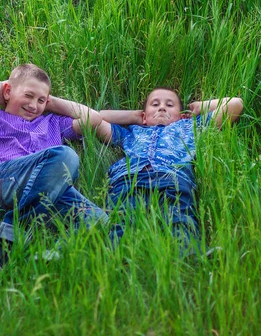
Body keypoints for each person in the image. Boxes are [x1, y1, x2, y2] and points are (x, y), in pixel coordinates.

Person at [0, 63, 108, 265]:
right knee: (67, 156)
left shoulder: (52, 123)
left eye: (41, 100)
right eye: (28, 96)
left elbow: (94, 117)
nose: (34, 105)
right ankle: (12, 234)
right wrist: (8, 87)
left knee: (100, 222)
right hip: (3, 180)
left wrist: (50, 103)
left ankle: (48, 256)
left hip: (48, 189)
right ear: (6, 91)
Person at [95, 87, 244, 256]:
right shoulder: (131, 132)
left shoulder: (191, 126)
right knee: (121, 218)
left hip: (173, 177)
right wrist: (135, 116)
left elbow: (235, 104)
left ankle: (189, 256)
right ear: (144, 116)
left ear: (181, 115)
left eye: (170, 104)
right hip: (129, 178)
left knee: (180, 216)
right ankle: (116, 257)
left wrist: (200, 107)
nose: (162, 107)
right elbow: (94, 118)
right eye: (155, 104)